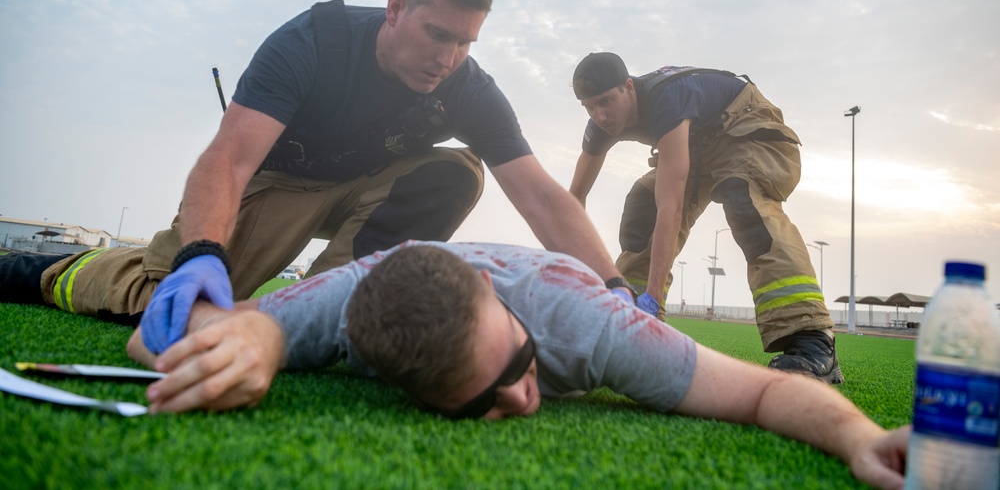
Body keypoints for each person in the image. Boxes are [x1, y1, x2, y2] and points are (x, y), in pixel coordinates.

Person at [0, 0, 627, 354]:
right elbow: (230, 159)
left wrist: (615, 288)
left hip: (367, 189)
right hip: (278, 185)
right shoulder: (313, 42)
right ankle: (46, 268)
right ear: (395, 8)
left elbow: (540, 195)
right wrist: (199, 255)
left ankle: (335, 314)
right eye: (437, 35)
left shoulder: (465, 84)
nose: (448, 59)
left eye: (464, 43)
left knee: (457, 172)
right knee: (167, 304)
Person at [124, 242, 909, 490]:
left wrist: (857, 438)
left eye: (521, 363)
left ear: (508, 311)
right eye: (483, 405)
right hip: (366, 273)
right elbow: (149, 339)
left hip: (582, 281)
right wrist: (250, 337)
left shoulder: (592, 331)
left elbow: (766, 390)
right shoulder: (340, 314)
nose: (527, 400)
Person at [568, 52, 841, 383]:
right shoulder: (600, 124)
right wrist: (569, 271)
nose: (600, 115)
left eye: (607, 101)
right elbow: (574, 201)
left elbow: (672, 207)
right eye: (589, 107)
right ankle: (628, 326)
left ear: (628, 87)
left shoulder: (666, 100)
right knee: (644, 206)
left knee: (745, 201)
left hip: (744, 125)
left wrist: (653, 299)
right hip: (696, 142)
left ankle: (814, 340)